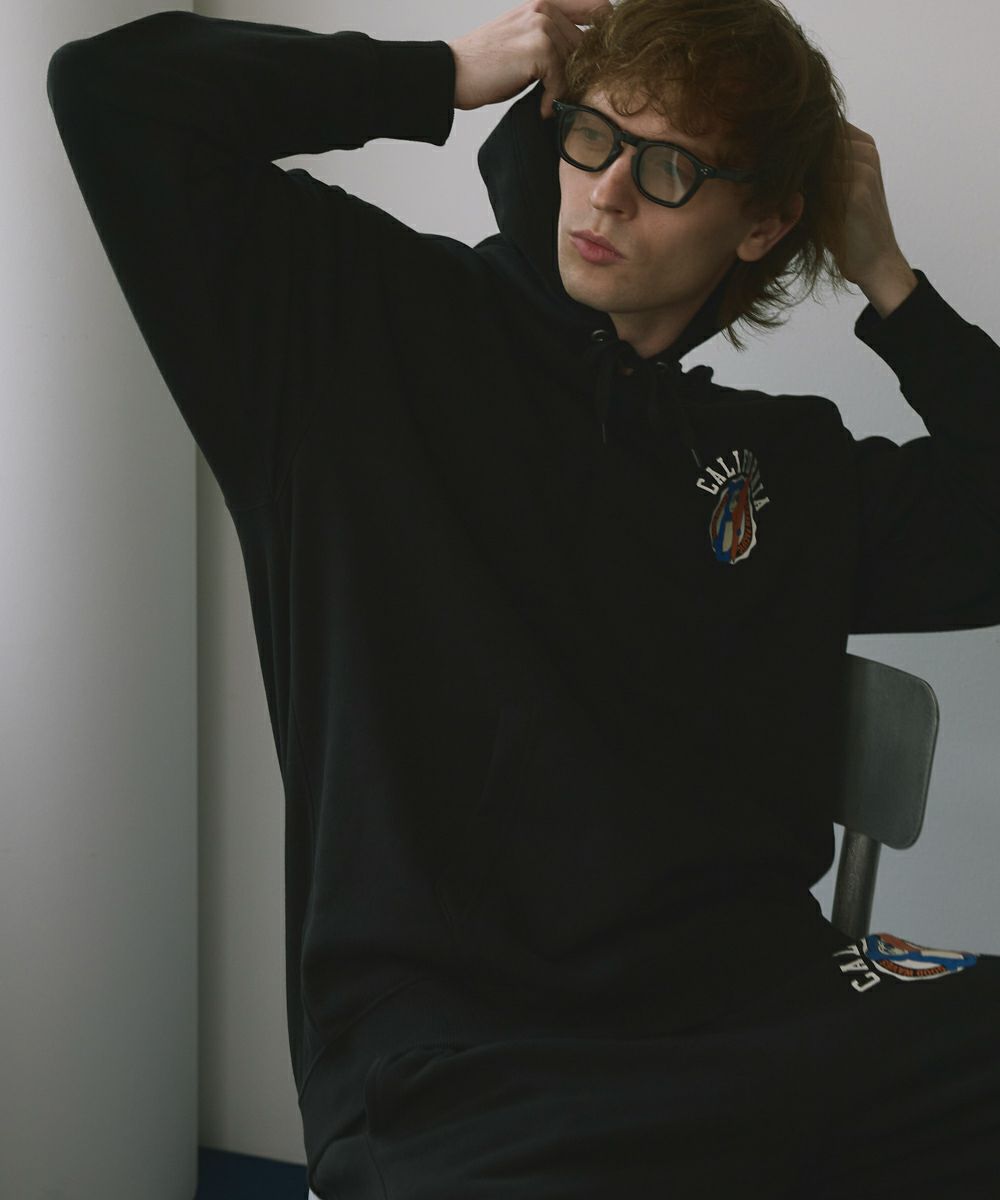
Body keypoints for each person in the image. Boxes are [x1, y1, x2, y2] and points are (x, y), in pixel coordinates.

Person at [47, 1, 999, 1195]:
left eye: (668, 167)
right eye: (593, 136)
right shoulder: (352, 330)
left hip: (758, 1013)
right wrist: (439, 73)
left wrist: (891, 285)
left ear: (763, 221)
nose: (605, 193)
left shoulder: (778, 470)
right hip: (466, 1062)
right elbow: (113, 95)